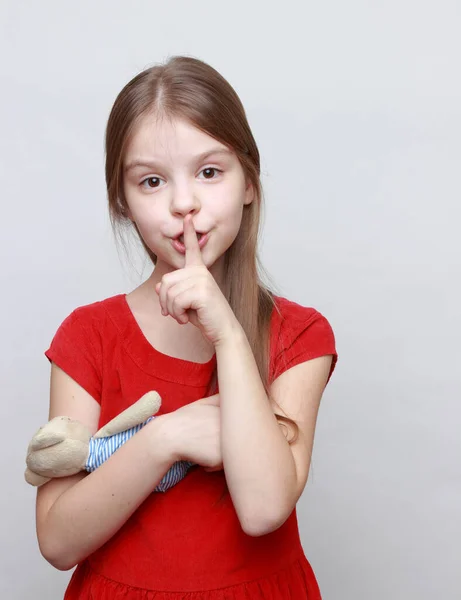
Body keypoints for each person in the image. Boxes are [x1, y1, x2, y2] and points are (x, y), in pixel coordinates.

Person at [35, 55, 338, 599]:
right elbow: (57, 543)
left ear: (249, 180)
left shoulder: (300, 335)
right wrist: (165, 439)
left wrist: (226, 332)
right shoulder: (88, 335)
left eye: (209, 172)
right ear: (123, 203)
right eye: (152, 181)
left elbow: (264, 508)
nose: (184, 204)